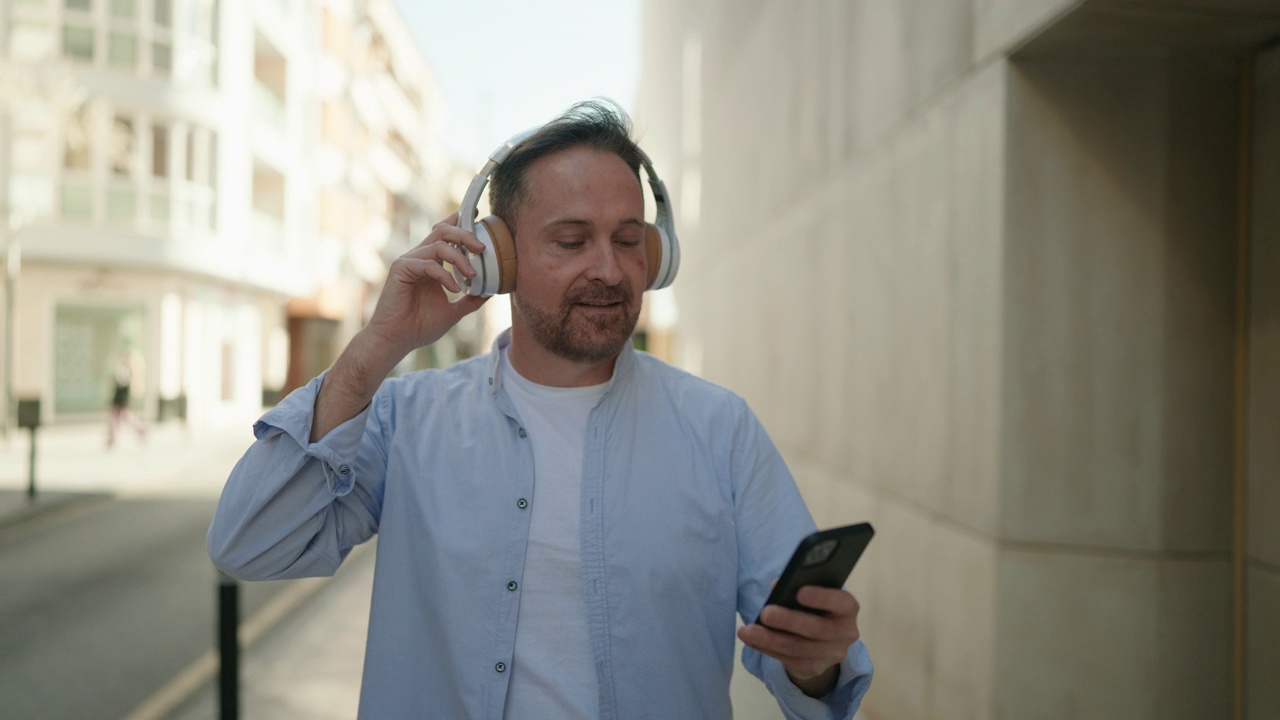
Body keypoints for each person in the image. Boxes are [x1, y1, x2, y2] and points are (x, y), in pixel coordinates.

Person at [207, 100, 873, 719]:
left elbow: (809, 668)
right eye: (572, 240)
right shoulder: (406, 419)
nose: (610, 271)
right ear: (498, 257)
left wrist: (817, 665)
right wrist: (378, 347)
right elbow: (249, 543)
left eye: (628, 238)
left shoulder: (721, 430)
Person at [107, 350, 146, 448]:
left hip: (121, 399)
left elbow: (121, 386)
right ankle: (114, 438)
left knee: (120, 419)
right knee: (119, 419)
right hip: (119, 399)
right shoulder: (123, 369)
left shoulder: (126, 371)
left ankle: (139, 430)